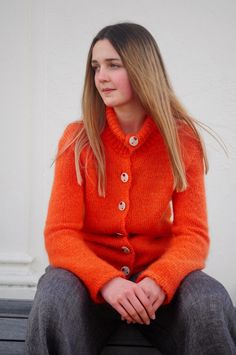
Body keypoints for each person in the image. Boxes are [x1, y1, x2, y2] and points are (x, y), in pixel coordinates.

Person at [25, 22, 236, 355]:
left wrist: (159, 280)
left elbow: (192, 235)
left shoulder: (183, 141)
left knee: (210, 302)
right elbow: (60, 235)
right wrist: (108, 282)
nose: (101, 77)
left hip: (157, 287)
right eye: (96, 67)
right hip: (89, 283)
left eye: (113, 65)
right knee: (52, 299)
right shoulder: (77, 140)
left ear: (142, 67)